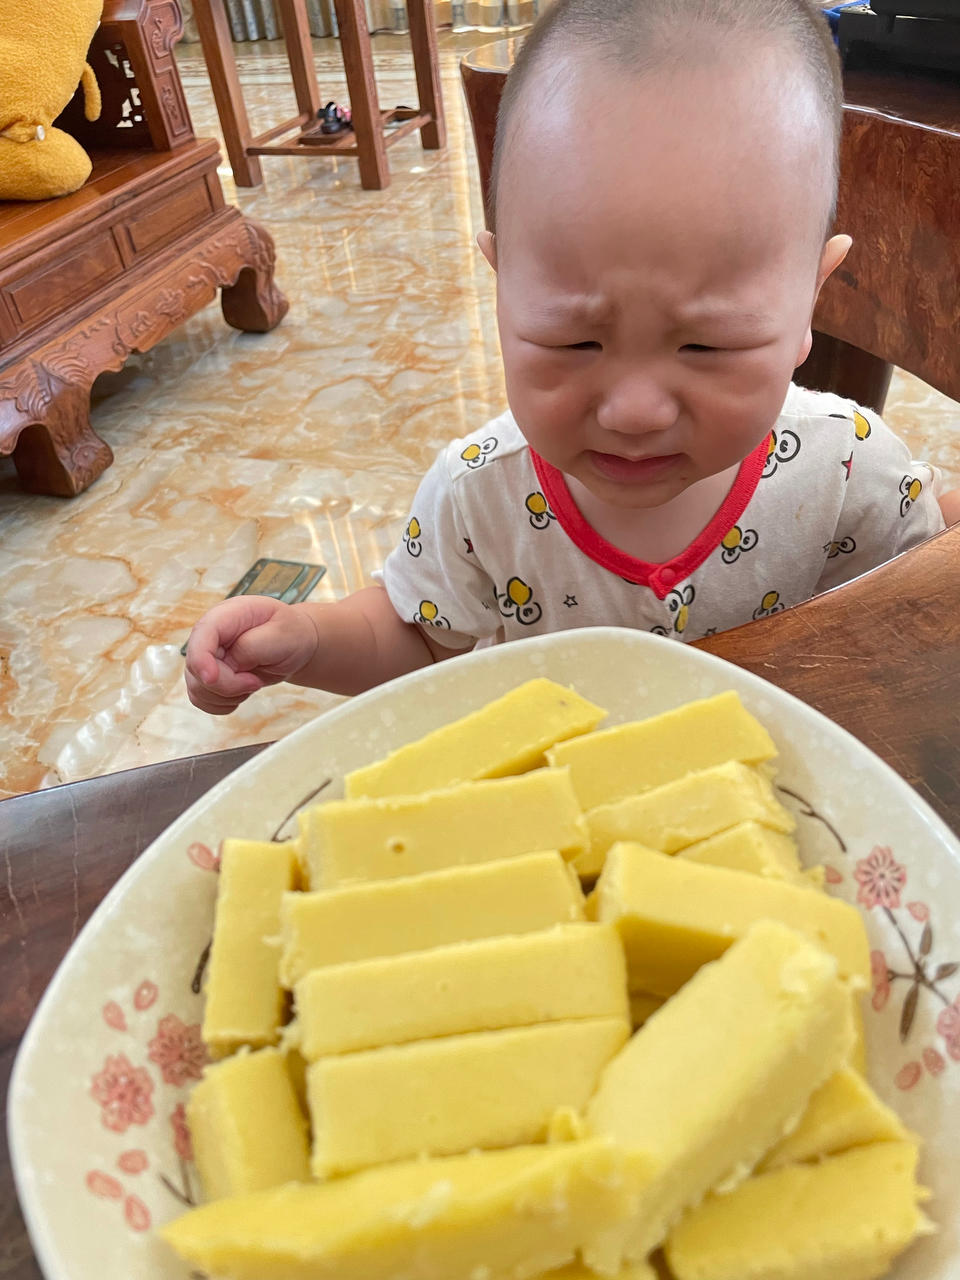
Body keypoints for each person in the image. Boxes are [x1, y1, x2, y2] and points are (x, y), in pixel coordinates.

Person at [185, 0, 956, 716]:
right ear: (501, 286)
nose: (634, 410)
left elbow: (922, 579)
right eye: (572, 340)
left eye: (707, 344)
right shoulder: (480, 496)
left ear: (809, 302)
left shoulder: (850, 470)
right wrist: (310, 643)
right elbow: (417, 638)